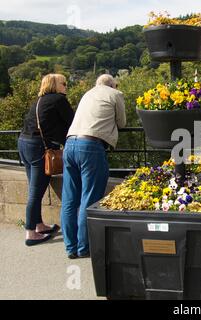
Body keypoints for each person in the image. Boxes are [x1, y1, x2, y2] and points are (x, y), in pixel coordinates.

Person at [60, 74, 126, 259]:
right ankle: (84, 247)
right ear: (113, 84)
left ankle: (70, 247)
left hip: (69, 144)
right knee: (88, 198)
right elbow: (122, 122)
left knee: (69, 199)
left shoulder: (87, 94)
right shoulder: (115, 94)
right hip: (90, 146)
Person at [18, 74, 74, 246]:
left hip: (23, 143)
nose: (66, 86)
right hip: (38, 148)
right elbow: (72, 122)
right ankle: (30, 232)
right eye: (63, 83)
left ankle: (39, 225)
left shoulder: (39, 101)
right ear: (55, 85)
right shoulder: (59, 99)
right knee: (35, 192)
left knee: (34, 188)